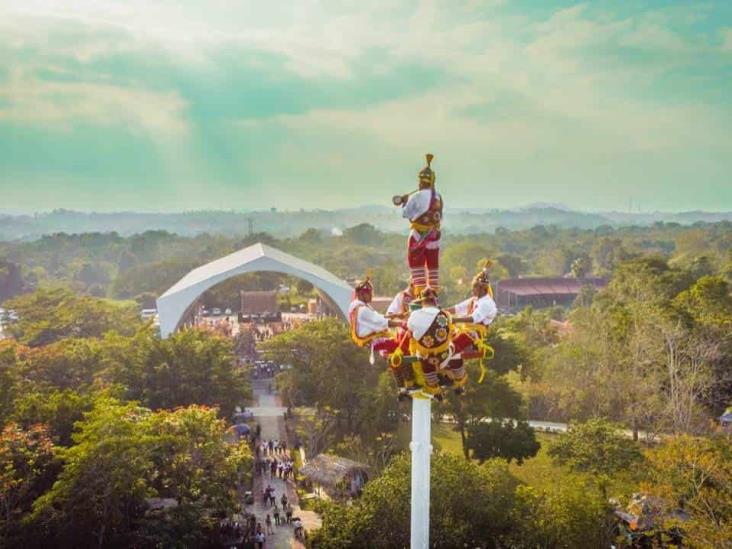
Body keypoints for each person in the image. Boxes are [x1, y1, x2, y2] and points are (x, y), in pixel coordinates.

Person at [447, 262, 498, 392]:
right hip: (463, 330)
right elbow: (457, 308)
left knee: (450, 348)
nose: (472, 290)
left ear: (482, 289)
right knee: (442, 341)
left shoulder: (486, 303)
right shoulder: (474, 300)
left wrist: (453, 320)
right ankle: (452, 377)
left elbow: (474, 318)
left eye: (474, 288)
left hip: (475, 335)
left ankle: (458, 379)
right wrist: (439, 312)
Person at [396, 154, 443, 294]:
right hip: (434, 236)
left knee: (417, 266)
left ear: (421, 182)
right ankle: (433, 294)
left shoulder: (416, 196)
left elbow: (406, 214)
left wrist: (405, 202)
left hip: (418, 235)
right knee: (433, 266)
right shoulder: (438, 195)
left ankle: (420, 296)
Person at [406, 287, 452, 398]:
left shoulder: (414, 315)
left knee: (418, 351)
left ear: (422, 301)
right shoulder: (446, 315)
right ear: (435, 301)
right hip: (442, 353)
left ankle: (433, 381)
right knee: (452, 347)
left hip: (423, 354)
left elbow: (409, 332)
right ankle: (441, 371)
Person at [348, 278, 406, 363]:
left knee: (397, 338)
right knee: (399, 343)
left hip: (372, 340)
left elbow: (377, 317)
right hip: (372, 341)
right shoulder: (362, 310)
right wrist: (402, 324)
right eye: (369, 293)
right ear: (361, 294)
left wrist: (395, 315)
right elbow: (381, 321)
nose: (372, 296)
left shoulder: (357, 306)